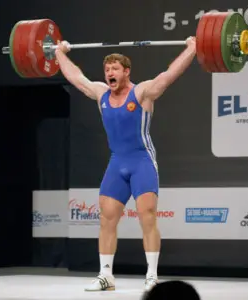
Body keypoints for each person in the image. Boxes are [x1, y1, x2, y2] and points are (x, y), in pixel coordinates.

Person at [55, 37, 196, 292]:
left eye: (115, 69)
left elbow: (168, 76)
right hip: (117, 162)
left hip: (141, 161)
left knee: (147, 217)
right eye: (107, 70)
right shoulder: (101, 94)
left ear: (126, 72)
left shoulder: (141, 92)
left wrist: (193, 48)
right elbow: (76, 78)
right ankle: (106, 276)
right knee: (107, 219)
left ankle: (151, 276)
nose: (110, 73)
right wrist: (59, 53)